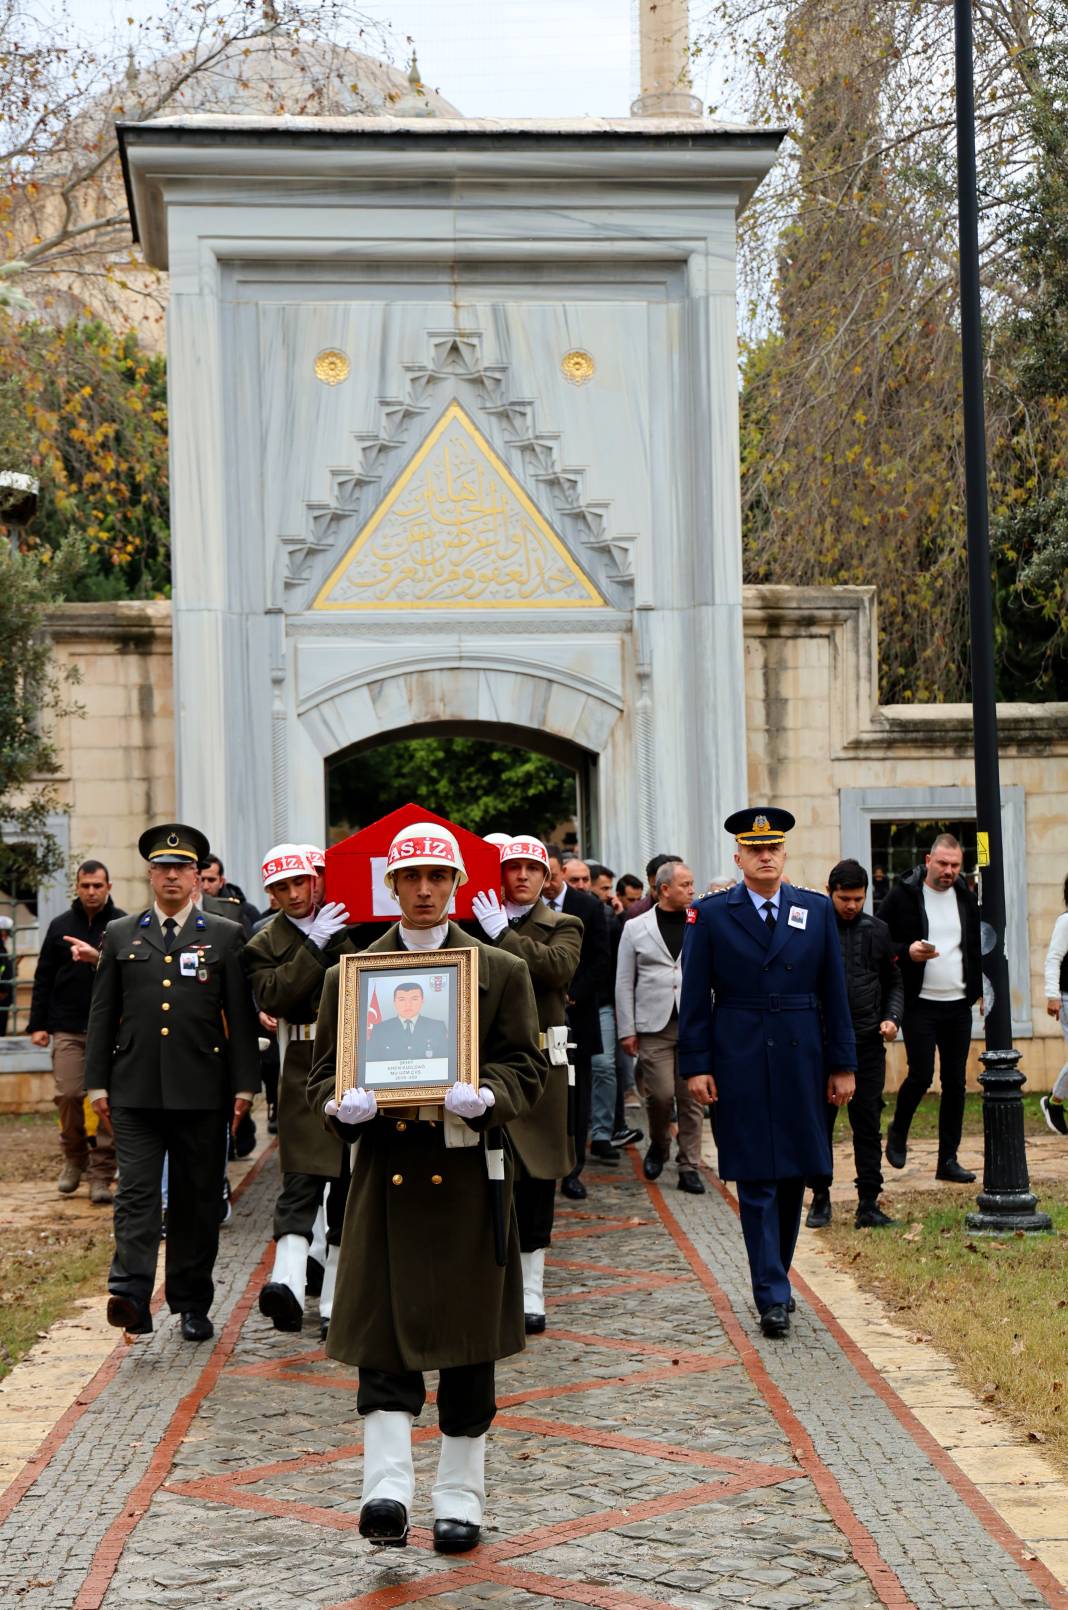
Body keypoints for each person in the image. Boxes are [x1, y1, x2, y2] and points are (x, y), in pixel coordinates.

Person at [307, 820, 545, 1553]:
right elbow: (323, 1074)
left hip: (471, 1177)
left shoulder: (499, 969)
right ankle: (386, 1490)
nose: (423, 890)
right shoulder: (347, 976)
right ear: (391, 884)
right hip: (386, 1180)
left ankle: (460, 1498)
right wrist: (340, 1107)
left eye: (436, 877)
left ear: (457, 884)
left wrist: (490, 1096)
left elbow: (526, 1068)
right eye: (409, 878)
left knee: (469, 1348)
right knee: (382, 1343)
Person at [678, 808, 856, 1339]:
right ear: (738, 857)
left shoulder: (815, 910)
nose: (765, 855)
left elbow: (835, 994)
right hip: (741, 1053)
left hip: (802, 1057)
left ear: (784, 853)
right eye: (754, 849)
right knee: (755, 1177)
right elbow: (695, 997)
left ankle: (775, 1273)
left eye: (773, 847)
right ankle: (771, 1293)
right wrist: (697, 1064)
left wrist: (843, 1063)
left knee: (795, 1175)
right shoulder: (710, 915)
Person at [85, 823, 260, 1342]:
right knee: (136, 1195)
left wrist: (245, 1087)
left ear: (197, 877)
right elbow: (102, 1014)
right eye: (162, 868)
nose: (171, 876)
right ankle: (132, 1296)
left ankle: (190, 1302)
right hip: (133, 1090)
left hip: (202, 1093)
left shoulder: (225, 935)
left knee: (195, 1200)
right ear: (150, 874)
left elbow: (241, 1019)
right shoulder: (121, 934)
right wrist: (96, 1084)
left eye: (181, 868)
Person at [470, 835, 581, 1332]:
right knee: (485, 1176)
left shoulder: (563, 925)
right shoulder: (472, 925)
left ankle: (532, 1285)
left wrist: (503, 935)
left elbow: (555, 969)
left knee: (538, 1178)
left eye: (530, 869)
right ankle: (491, 1282)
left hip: (540, 1068)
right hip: (485, 1065)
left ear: (546, 878)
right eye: (510, 867)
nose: (520, 876)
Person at [243, 843, 354, 1338]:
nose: (293, 894)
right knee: (302, 1176)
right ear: (270, 893)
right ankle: (285, 1282)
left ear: (318, 880)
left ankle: (335, 1299)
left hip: (352, 1057)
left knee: (348, 1183)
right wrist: (314, 947)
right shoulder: (263, 943)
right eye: (281, 888)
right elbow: (276, 994)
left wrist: (332, 940)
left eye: (300, 883)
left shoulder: (350, 929)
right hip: (301, 1064)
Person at [803, 860, 903, 1230]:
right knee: (819, 1124)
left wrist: (892, 1017)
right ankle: (820, 1198)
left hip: (867, 1043)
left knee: (867, 1123)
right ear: (830, 892)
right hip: (820, 1043)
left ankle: (868, 1203)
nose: (851, 905)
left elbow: (894, 982)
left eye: (858, 899)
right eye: (844, 898)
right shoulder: (812, 928)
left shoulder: (877, 931)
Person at [880, 834, 982, 1183]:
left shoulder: (966, 897)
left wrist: (979, 990)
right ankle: (899, 1130)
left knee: (955, 1083)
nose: (949, 871)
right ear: (928, 860)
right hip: (919, 1003)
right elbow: (878, 940)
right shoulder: (903, 895)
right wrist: (905, 951)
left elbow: (973, 947)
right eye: (942, 863)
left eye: (955, 865)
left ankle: (948, 1160)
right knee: (921, 1074)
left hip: (957, 1005)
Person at [28, 861, 125, 1204]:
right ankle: (74, 1157)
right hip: (67, 1026)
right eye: (85, 885)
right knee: (68, 1094)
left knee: (107, 1103)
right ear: (78, 887)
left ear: (108, 886)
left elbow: (132, 974)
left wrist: (97, 957)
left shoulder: (122, 925)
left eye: (98, 885)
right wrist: (38, 1024)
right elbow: (43, 979)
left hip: (111, 1027)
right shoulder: (60, 926)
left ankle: (101, 1173)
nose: (91, 892)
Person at [616, 861, 706, 1193]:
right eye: (685, 885)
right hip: (653, 1025)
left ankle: (689, 1165)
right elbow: (624, 982)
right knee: (661, 1096)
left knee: (692, 1098)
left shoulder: (701, 922)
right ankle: (659, 1144)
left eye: (692, 884)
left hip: (695, 1022)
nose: (692, 890)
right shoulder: (636, 927)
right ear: (664, 889)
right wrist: (627, 1029)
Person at [543, 844, 608, 1200]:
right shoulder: (526, 910)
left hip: (577, 1015)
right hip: (538, 1020)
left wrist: (572, 995)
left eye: (553, 875)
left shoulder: (587, 906)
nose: (548, 883)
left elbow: (600, 960)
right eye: (545, 876)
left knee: (577, 1098)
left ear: (563, 873)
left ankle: (573, 1170)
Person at [1040, 874, 1068, 1137]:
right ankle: (1054, 1102)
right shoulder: (1066, 922)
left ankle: (1055, 1101)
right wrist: (1052, 995)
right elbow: (1053, 960)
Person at [369, 982, 451, 1062]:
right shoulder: (380, 1030)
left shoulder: (437, 1027)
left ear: (422, 1001)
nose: (408, 1004)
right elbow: (372, 1064)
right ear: (394, 1002)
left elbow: (446, 1063)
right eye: (402, 1000)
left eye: (414, 999)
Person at [198, 854, 259, 934]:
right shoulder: (188, 905)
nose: (205, 886)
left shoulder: (243, 910)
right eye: (202, 880)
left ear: (221, 882)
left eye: (211, 880)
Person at [622, 853, 683, 924]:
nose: (659, 893)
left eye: (665, 888)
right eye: (655, 887)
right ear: (648, 881)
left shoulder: (690, 909)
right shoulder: (636, 911)